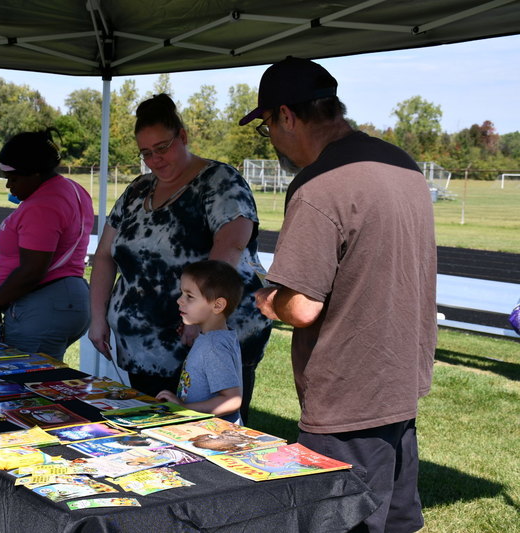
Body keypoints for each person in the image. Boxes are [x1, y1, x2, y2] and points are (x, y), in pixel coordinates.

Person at [245, 57, 437, 533]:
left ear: (286, 115)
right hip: (398, 384)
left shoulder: (319, 185)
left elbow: (302, 307)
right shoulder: (401, 164)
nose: (272, 140)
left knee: (339, 522)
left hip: (347, 397)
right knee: (393, 521)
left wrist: (269, 301)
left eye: (267, 127)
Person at [89, 93, 272, 424]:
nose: (155, 159)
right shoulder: (137, 190)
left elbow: (231, 245)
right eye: (146, 153)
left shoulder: (220, 182)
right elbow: (104, 256)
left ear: (183, 136)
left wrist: (199, 319)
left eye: (162, 147)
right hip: (142, 351)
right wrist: (98, 318)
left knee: (206, 438)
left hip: (202, 346)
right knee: (152, 437)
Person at [0, 128, 93, 361]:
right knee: (44, 376)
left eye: (13, 179)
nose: (9, 186)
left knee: (25, 378)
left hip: (43, 306)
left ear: (35, 173)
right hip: (69, 299)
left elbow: (32, 270)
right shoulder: (72, 189)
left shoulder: (43, 204)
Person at [156, 260, 244, 424]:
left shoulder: (214, 345)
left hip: (214, 432)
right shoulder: (214, 337)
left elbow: (232, 400)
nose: (179, 300)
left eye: (189, 296)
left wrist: (184, 408)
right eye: (182, 293)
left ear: (218, 305)